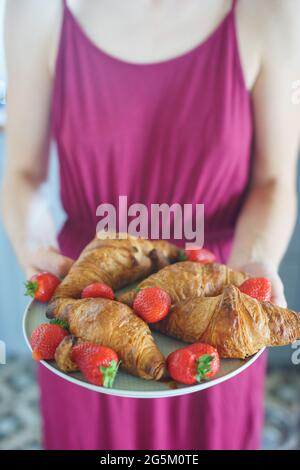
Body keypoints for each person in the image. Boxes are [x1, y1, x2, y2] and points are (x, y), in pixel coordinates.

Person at [2, 0, 300, 450]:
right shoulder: (36, 10)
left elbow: (274, 179)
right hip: (88, 299)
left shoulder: (271, 12)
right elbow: (24, 172)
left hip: (217, 302)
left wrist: (255, 259)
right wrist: (33, 244)